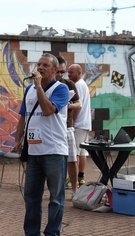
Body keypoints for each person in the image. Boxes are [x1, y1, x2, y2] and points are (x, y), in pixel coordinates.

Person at [14, 53, 69, 236]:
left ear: (55, 70)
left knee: (55, 196)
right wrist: (17, 139)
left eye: (45, 65)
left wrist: (38, 86)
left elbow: (47, 110)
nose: (40, 68)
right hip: (33, 150)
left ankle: (51, 235)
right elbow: (23, 116)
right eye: (39, 64)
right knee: (31, 195)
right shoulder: (28, 89)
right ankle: (31, 235)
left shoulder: (61, 88)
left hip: (54, 150)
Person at [56, 56, 81, 195]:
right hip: (52, 128)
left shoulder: (69, 84)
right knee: (54, 161)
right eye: (57, 71)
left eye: (62, 72)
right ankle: (56, 190)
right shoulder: (45, 85)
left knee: (72, 159)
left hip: (67, 126)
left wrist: (70, 105)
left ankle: (74, 189)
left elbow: (79, 104)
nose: (60, 74)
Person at [67, 64, 91, 186]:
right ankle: (80, 177)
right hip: (85, 123)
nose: (69, 75)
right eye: (68, 72)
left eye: (71, 72)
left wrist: (73, 122)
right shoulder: (83, 85)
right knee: (82, 152)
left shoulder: (77, 85)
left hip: (78, 123)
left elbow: (77, 106)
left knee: (74, 152)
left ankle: (73, 179)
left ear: (79, 73)